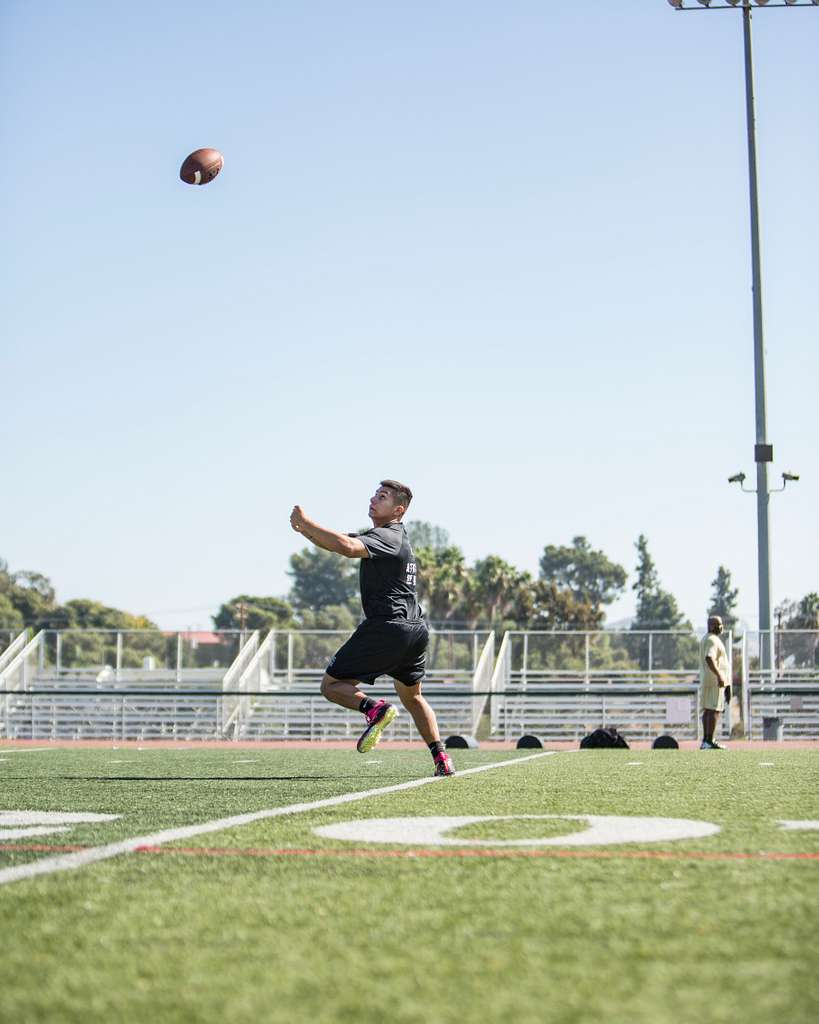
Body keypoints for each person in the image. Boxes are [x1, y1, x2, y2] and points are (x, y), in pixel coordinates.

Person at [289, 480, 455, 776]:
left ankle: (374, 709)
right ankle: (442, 759)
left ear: (398, 510)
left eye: (383, 497)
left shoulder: (388, 536)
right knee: (413, 697)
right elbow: (339, 542)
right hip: (415, 630)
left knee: (331, 686)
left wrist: (307, 522)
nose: (373, 499)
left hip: (388, 627)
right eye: (375, 494)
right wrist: (306, 531)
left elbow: (348, 547)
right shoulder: (388, 537)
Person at [699, 615, 729, 750]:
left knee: (708, 710)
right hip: (714, 680)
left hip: (708, 679)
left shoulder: (707, 638)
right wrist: (719, 676)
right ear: (711, 626)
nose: (721, 627)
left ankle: (706, 741)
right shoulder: (712, 640)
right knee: (714, 710)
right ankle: (709, 740)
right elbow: (709, 658)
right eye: (718, 624)